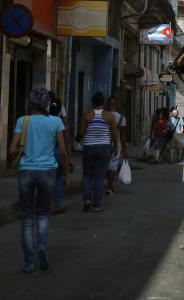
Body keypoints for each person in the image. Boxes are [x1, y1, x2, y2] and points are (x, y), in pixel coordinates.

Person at [9, 88, 69, 273]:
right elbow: (63, 150)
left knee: (27, 217)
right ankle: (42, 245)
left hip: (26, 172)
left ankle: (28, 261)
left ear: (30, 103)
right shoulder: (56, 121)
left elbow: (12, 150)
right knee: (43, 213)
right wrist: (66, 172)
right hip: (48, 172)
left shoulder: (23, 121)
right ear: (46, 104)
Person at [79, 92, 117, 212]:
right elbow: (115, 134)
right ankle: (96, 205)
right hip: (104, 147)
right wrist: (116, 147)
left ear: (92, 103)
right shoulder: (109, 117)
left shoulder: (87, 115)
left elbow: (81, 133)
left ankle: (87, 200)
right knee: (99, 177)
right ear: (103, 103)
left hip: (89, 147)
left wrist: (81, 139)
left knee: (87, 175)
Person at [48, 96, 68, 214]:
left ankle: (48, 204)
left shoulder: (42, 120)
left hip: (45, 153)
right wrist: (67, 163)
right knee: (58, 178)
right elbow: (63, 145)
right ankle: (57, 203)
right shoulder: (59, 121)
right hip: (57, 152)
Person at [105, 96, 128, 195]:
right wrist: (124, 149)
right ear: (116, 105)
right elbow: (122, 136)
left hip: (104, 143)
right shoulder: (121, 118)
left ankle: (103, 185)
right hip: (116, 144)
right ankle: (109, 187)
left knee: (104, 165)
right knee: (113, 166)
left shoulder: (103, 115)